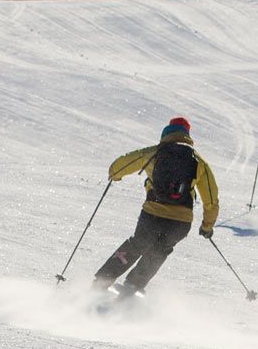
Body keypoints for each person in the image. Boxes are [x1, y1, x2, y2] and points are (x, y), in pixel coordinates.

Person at [91, 117, 220, 298]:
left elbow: (118, 167)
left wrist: (115, 175)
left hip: (153, 215)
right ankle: (131, 287)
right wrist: (207, 226)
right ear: (187, 135)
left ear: (166, 133)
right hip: (180, 222)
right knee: (160, 251)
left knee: (137, 245)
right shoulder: (199, 162)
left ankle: (101, 282)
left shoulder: (154, 153)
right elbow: (212, 200)